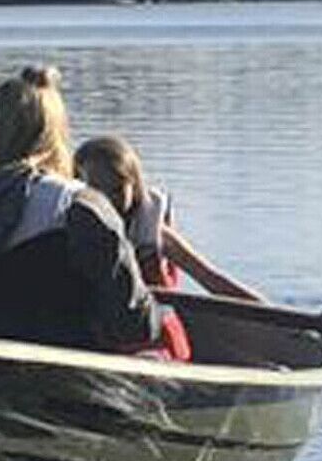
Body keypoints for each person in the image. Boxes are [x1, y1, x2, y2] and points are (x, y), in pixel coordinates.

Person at [0, 67, 163, 353]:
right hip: (63, 364)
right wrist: (161, 316)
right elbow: (134, 323)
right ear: (56, 133)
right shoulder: (79, 205)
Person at [77, 130, 262, 360]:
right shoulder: (77, 231)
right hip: (108, 339)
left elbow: (211, 279)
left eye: (117, 189)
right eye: (96, 191)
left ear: (134, 186)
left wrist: (270, 312)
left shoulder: (155, 233)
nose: (108, 201)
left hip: (157, 341)